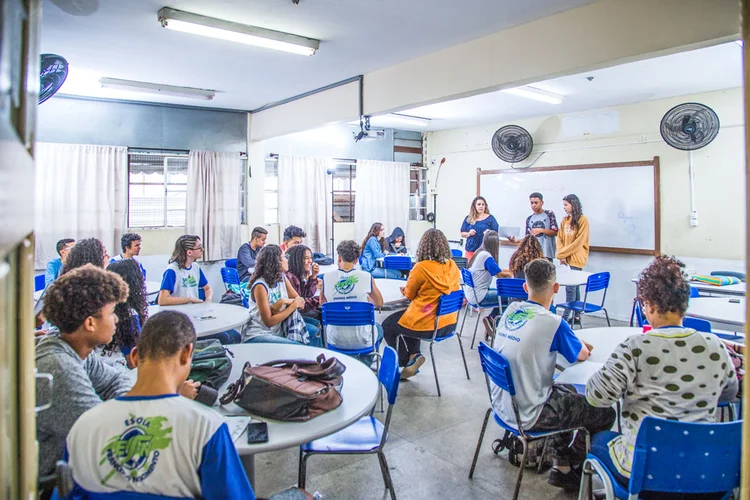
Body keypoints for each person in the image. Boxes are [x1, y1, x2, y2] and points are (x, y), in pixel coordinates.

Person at [585, 256, 738, 498]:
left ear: (648, 305)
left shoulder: (634, 347)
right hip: (706, 472)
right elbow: (729, 394)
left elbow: (596, 397)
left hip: (646, 473)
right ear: (685, 304)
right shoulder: (714, 346)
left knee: (601, 438)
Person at [490, 259, 615, 491]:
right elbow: (581, 354)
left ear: (525, 287)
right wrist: (577, 343)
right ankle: (573, 464)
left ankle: (563, 465)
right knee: (603, 412)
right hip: (530, 413)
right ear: (556, 288)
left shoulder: (511, 310)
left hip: (502, 404)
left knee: (566, 390)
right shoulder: (553, 322)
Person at [35, 265, 134, 480]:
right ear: (90, 323)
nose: (116, 320)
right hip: (51, 487)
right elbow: (110, 435)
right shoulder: (58, 368)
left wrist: (118, 406)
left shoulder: (74, 348)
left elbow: (116, 379)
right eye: (111, 313)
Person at [382, 229, 460, 378]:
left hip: (427, 323)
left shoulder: (421, 267)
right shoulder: (452, 266)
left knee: (389, 325)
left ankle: (406, 363)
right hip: (448, 323)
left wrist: (405, 290)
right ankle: (414, 356)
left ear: (423, 246)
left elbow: (410, 294)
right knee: (407, 318)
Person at [158, 235, 240, 344]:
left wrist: (208, 301)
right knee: (225, 338)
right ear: (189, 252)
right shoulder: (172, 270)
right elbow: (163, 300)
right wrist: (189, 299)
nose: (202, 250)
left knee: (235, 335)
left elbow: (207, 288)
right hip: (180, 320)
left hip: (195, 316)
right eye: (199, 247)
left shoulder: (195, 267)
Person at [244, 245, 321, 346]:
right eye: (284, 257)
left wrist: (283, 301)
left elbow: (300, 301)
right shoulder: (260, 286)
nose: (287, 260)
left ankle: (316, 361)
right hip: (259, 333)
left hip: (278, 327)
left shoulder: (282, 278)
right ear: (276, 261)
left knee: (315, 332)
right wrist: (292, 305)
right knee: (297, 346)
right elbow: (269, 321)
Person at [321, 240, 384, 362]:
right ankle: (365, 364)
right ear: (357, 260)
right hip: (362, 340)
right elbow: (379, 303)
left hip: (335, 339)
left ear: (339, 257)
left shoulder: (326, 277)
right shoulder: (366, 276)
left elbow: (323, 304)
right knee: (378, 328)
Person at [101, 259, 148, 368]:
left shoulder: (104, 307)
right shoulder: (128, 316)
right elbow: (133, 362)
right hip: (120, 371)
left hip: (104, 364)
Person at [466, 231, 512, 339]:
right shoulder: (487, 256)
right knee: (510, 298)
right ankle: (492, 322)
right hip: (480, 296)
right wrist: (512, 273)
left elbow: (498, 270)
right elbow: (499, 275)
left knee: (502, 297)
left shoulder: (480, 253)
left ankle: (490, 322)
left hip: (472, 294)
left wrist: (510, 270)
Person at [556, 194, 589, 324]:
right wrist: (561, 254)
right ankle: (576, 316)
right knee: (574, 288)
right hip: (565, 258)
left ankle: (564, 317)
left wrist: (562, 254)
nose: (564, 207)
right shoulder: (565, 220)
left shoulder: (582, 220)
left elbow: (578, 242)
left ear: (573, 205)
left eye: (566, 204)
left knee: (571, 288)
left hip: (576, 258)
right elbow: (559, 239)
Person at [285, 244, 322, 337]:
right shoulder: (290, 277)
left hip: (297, 312)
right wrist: (319, 299)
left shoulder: (297, 275)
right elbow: (302, 305)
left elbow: (307, 294)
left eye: (311, 258)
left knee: (319, 317)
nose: (310, 261)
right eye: (306, 258)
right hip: (291, 316)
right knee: (320, 315)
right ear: (297, 260)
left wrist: (313, 277)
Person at [511, 192, 558, 260]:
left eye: (536, 203)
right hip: (534, 254)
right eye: (532, 203)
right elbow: (527, 238)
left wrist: (541, 230)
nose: (533, 205)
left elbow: (555, 232)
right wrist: (516, 241)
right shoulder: (529, 219)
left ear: (542, 203)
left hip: (547, 253)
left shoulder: (549, 214)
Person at [460, 196, 499, 261]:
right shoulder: (469, 218)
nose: (481, 206)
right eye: (479, 204)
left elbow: (496, 233)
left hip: (485, 250)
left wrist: (489, 233)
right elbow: (462, 233)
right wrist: (469, 233)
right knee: (469, 269)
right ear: (474, 206)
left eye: (483, 204)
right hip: (471, 250)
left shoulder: (490, 218)